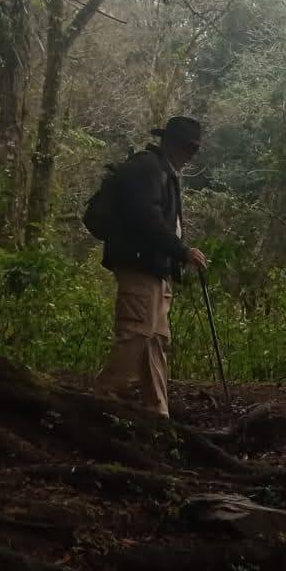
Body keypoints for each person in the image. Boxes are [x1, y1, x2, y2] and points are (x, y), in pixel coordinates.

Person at [94, 115, 208, 417]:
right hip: (139, 265)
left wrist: (176, 257)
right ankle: (102, 396)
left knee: (156, 338)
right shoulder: (147, 168)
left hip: (157, 268)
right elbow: (149, 220)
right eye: (187, 148)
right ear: (170, 143)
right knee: (136, 332)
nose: (190, 155)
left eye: (193, 150)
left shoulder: (164, 172)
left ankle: (157, 410)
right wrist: (182, 251)